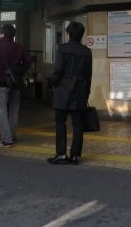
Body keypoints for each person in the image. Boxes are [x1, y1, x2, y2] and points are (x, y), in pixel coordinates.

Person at [47, 21, 92, 165]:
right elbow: (88, 75)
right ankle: (75, 156)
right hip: (79, 91)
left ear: (68, 34)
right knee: (78, 124)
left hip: (63, 91)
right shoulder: (87, 52)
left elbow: (58, 70)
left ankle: (61, 154)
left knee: (60, 121)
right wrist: (86, 93)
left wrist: (52, 83)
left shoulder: (62, 48)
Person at [0, 24, 33, 148]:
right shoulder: (20, 47)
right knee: (14, 110)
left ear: (2, 34)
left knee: (2, 111)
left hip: (1, 83)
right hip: (15, 83)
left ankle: (6, 140)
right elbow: (29, 61)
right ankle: (12, 135)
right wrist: (20, 70)